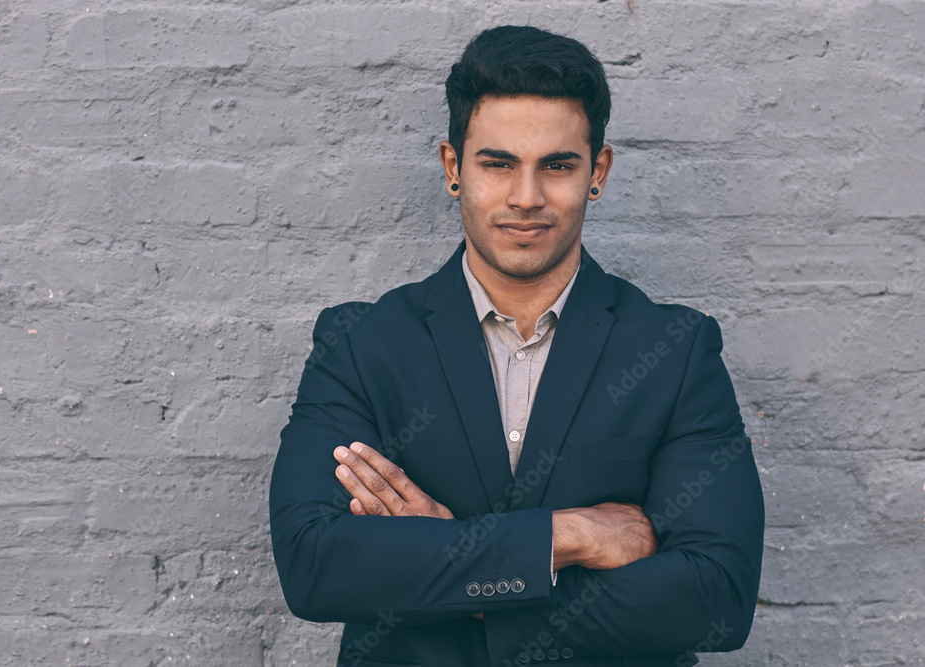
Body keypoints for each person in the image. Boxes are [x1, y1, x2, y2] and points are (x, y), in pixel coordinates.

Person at [270, 25, 764, 667]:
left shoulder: (673, 352)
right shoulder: (363, 347)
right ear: (454, 168)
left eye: (557, 166)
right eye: (498, 163)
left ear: (598, 172)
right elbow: (316, 566)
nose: (526, 198)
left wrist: (446, 567)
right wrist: (569, 535)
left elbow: (715, 599)